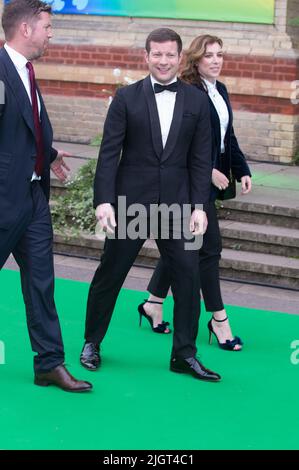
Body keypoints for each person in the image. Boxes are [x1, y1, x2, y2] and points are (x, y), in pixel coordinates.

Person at [80, 28, 221, 382]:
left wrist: (200, 206)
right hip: (132, 205)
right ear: (146, 56)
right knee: (110, 275)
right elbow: (109, 154)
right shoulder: (126, 98)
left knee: (188, 279)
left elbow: (201, 159)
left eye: (170, 54)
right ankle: (91, 343)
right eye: (156, 54)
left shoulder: (196, 101)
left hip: (178, 208)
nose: (163, 61)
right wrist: (104, 202)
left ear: (179, 58)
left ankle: (184, 355)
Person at [0, 0, 92, 392]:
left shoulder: (26, 71)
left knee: (41, 283)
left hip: (34, 198)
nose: (51, 33)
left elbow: (19, 128)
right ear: (26, 30)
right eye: (48, 27)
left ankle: (49, 364)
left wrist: (48, 154)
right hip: (4, 199)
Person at [141, 34, 252, 350]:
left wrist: (241, 169)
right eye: (209, 56)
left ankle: (152, 302)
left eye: (220, 54)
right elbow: (179, 144)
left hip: (210, 182)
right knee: (208, 249)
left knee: (184, 244)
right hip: (189, 184)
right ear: (195, 60)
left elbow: (227, 137)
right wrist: (210, 172)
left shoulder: (220, 90)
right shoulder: (187, 93)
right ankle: (219, 321)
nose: (216, 60)